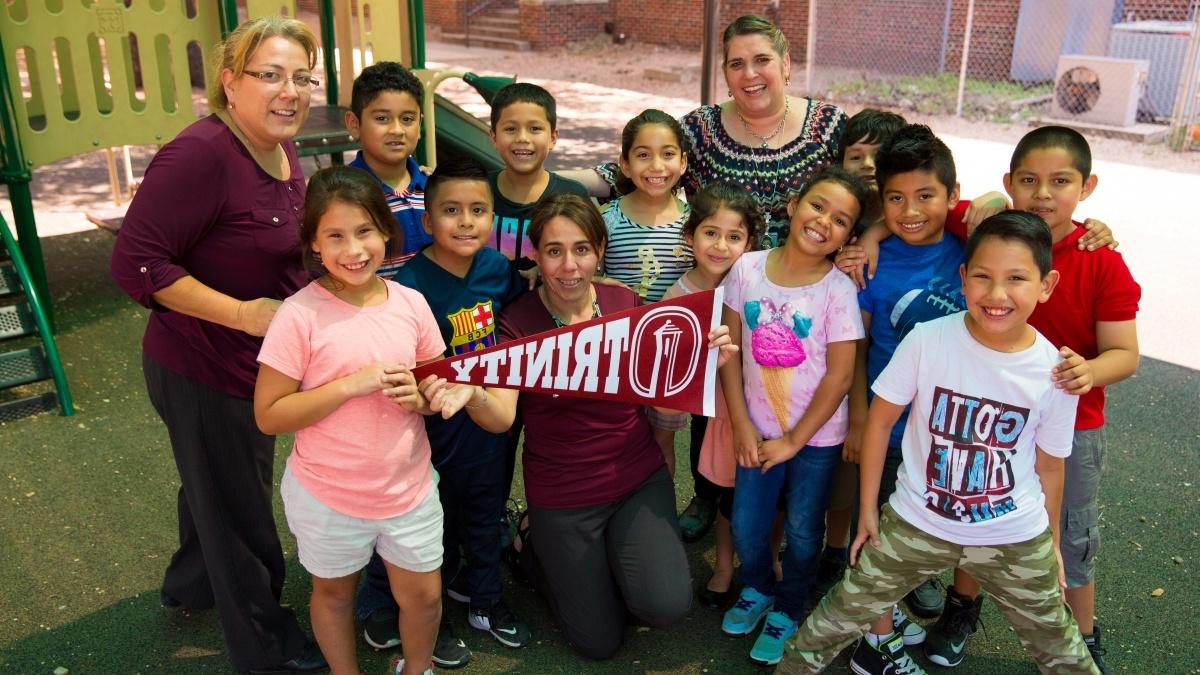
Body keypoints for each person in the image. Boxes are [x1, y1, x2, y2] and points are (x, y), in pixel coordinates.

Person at [776, 211, 1099, 675]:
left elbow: (1050, 466)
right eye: (983, 276)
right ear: (963, 278)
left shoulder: (1056, 372)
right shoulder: (927, 339)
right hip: (915, 522)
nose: (997, 294)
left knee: (1062, 648)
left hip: (1012, 535)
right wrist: (869, 510)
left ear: (1046, 285)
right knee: (833, 619)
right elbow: (880, 421)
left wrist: (1049, 540)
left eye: (1016, 279)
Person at [109, 17, 326, 673]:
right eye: (270, 75)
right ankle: (264, 643)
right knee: (238, 504)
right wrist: (243, 312)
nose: (289, 91)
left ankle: (192, 584)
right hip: (201, 364)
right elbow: (135, 263)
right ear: (230, 83)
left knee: (213, 481)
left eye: (301, 77)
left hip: (252, 361)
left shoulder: (283, 148)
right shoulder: (201, 154)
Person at [429, 193, 733, 660]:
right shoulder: (518, 322)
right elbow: (503, 418)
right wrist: (475, 393)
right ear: (535, 255)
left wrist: (708, 352)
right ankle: (528, 546)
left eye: (582, 249)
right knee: (598, 641)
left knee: (665, 607)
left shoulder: (624, 301)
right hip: (564, 494)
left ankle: (607, 555)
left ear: (599, 251)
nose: (569, 266)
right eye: (554, 251)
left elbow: (668, 372)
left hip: (636, 479)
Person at [929, 126, 1140, 675]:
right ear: (1009, 184)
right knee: (975, 513)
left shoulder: (1101, 259)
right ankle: (961, 610)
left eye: (1060, 181)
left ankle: (1082, 634)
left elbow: (1125, 353)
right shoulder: (986, 224)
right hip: (986, 420)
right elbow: (925, 206)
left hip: (1073, 428)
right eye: (1028, 181)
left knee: (1069, 532)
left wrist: (1089, 370)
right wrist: (871, 239)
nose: (1043, 193)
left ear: (1086, 186)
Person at [255, 166, 473, 675]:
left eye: (364, 232)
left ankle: (416, 669)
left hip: (409, 489)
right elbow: (268, 415)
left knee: (423, 597)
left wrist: (423, 397)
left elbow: (429, 387)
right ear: (313, 242)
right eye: (335, 236)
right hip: (328, 494)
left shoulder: (411, 304)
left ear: (385, 232)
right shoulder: (299, 315)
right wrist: (350, 384)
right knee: (333, 595)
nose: (353, 250)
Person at [719, 166, 869, 666]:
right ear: (793, 205)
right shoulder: (747, 269)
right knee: (746, 527)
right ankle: (759, 587)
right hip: (755, 431)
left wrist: (794, 440)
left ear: (849, 235)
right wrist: (741, 423)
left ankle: (788, 606)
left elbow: (839, 378)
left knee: (805, 531)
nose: (824, 221)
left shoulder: (838, 290)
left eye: (842, 219)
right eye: (818, 205)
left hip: (816, 440)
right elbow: (731, 351)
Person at [841, 124, 971, 671]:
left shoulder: (972, 248)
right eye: (895, 198)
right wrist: (858, 418)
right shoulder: (870, 261)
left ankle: (890, 616)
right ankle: (874, 644)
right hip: (889, 427)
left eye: (925, 196)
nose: (910, 210)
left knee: (925, 528)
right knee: (875, 529)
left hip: (949, 430)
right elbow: (858, 345)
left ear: (952, 196)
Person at [393, 158, 532, 654]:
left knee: (485, 514)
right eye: (451, 210)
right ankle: (420, 616)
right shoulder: (408, 286)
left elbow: (518, 322)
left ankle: (485, 601)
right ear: (428, 222)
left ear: (493, 217)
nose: (466, 221)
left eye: (478, 210)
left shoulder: (498, 269)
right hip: (430, 436)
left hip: (489, 423)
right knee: (432, 525)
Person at [571, 15, 847, 249]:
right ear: (726, 74)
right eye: (736, 64)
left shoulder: (828, 126)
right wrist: (541, 178)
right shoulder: (701, 130)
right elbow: (643, 167)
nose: (749, 74)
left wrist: (868, 239)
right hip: (718, 291)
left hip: (813, 288)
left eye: (762, 60)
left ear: (785, 64)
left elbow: (873, 188)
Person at [809, 108, 908, 607]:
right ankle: (826, 550)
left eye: (878, 156)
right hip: (827, 374)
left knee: (872, 475)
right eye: (856, 155)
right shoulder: (834, 225)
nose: (867, 164)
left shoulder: (904, 219)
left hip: (883, 385)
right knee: (830, 474)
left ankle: (853, 554)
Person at [658, 181, 763, 607]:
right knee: (719, 489)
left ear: (750, 243)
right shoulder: (678, 296)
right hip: (711, 413)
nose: (721, 245)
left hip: (762, 409)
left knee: (760, 494)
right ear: (690, 236)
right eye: (710, 233)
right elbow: (667, 373)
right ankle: (723, 567)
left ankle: (765, 564)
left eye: (734, 236)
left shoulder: (760, 281)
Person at [602, 109, 695, 474]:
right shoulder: (606, 219)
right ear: (624, 165)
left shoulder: (695, 225)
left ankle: (657, 516)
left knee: (661, 440)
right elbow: (588, 275)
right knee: (616, 435)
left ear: (684, 161)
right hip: (620, 351)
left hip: (672, 354)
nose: (656, 165)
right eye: (643, 154)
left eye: (668, 153)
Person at [488, 82, 592, 268]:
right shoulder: (478, 190)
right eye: (510, 129)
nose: (522, 138)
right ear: (494, 137)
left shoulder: (572, 195)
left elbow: (587, 256)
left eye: (535, 128)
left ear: (553, 138)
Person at [344, 61, 431, 276]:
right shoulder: (343, 195)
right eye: (382, 118)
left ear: (419, 125)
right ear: (355, 125)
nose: (397, 130)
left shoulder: (434, 189)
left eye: (407, 119)